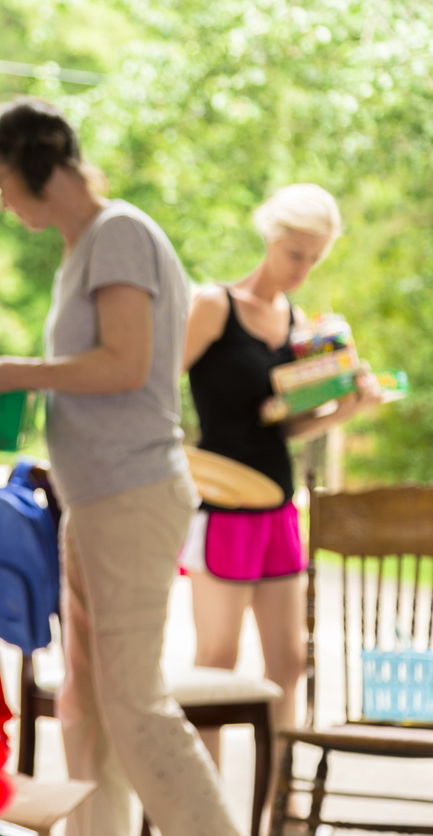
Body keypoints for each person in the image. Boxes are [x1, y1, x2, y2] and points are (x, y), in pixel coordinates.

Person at [0, 96, 241, 836]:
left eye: (2, 182)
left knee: (132, 703)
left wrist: (8, 372)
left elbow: (124, 365)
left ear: (37, 165)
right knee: (88, 707)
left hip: (134, 493)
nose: (2, 201)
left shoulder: (119, 232)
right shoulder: (82, 250)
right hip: (95, 499)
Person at [180, 184, 381, 766]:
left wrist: (350, 407)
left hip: (278, 505)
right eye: (297, 254)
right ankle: (209, 814)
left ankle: (281, 812)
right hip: (221, 506)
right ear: (271, 238)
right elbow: (159, 381)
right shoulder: (214, 304)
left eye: (315, 258)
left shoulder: (297, 323)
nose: (304, 269)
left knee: (288, 663)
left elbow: (282, 428)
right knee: (215, 662)